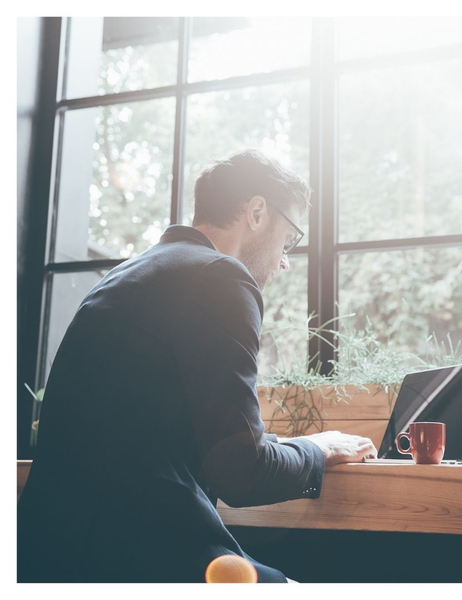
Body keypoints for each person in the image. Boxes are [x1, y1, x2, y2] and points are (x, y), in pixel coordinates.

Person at [17, 149, 377, 583]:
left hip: (48, 553)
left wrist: (286, 444)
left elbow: (176, 438)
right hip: (139, 558)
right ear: (257, 212)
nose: (285, 260)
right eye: (291, 238)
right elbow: (241, 474)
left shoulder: (130, 274)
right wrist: (318, 450)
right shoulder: (221, 278)